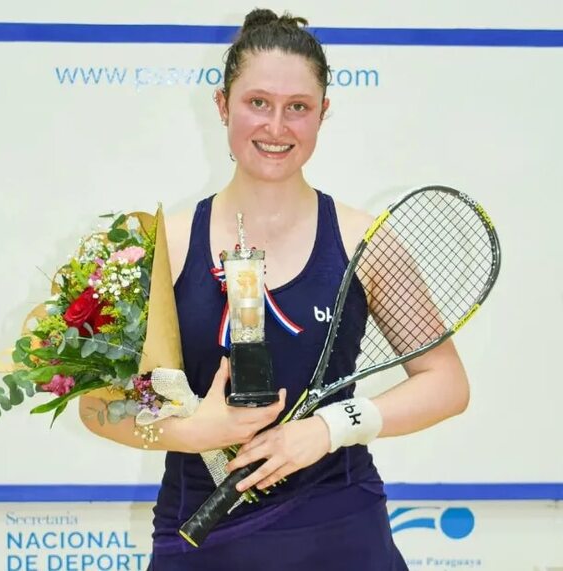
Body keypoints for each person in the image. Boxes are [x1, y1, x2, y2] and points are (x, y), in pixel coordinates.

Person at [80, 8, 469, 570]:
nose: (277, 127)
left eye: (298, 108)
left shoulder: (368, 242)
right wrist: (194, 431)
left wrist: (330, 428)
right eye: (257, 102)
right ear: (222, 106)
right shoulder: (160, 244)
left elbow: (447, 383)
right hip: (200, 540)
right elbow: (98, 408)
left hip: (341, 535)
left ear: (322, 114)